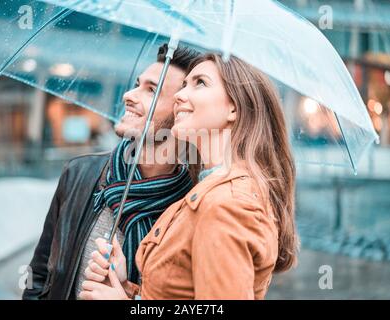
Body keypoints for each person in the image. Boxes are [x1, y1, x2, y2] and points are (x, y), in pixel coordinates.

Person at [80, 53, 299, 300]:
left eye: (200, 83)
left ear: (234, 108)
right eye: (184, 85)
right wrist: (129, 290)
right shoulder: (208, 190)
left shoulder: (227, 206)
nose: (179, 95)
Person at [22, 44, 201, 300]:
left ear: (182, 111)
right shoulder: (79, 174)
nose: (129, 94)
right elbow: (38, 276)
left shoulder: (192, 205)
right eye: (137, 84)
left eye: (151, 90)